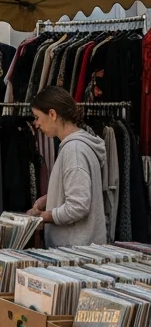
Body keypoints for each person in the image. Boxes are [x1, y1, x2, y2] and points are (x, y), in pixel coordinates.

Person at [27, 86, 108, 246]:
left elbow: (78, 206)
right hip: (79, 251)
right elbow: (78, 191)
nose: (36, 124)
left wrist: (42, 217)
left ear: (52, 114)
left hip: (75, 253)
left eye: (37, 117)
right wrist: (48, 200)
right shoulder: (76, 146)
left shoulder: (75, 150)